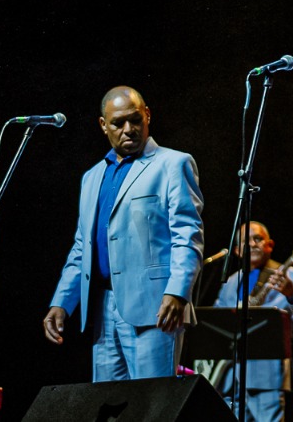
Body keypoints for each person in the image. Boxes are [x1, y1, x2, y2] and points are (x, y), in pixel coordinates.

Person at [43, 86, 204, 381]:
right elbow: (82, 247)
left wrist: (177, 291)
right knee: (108, 402)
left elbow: (188, 234)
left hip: (155, 307)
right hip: (102, 308)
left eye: (135, 120)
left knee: (152, 401)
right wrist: (62, 302)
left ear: (147, 115)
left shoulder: (172, 164)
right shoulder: (92, 177)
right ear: (103, 125)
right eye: (118, 123)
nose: (129, 129)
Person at [213, 222, 293, 422]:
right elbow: (216, 323)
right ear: (237, 251)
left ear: (270, 245)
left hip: (266, 375)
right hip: (228, 378)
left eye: (258, 239)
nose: (253, 244)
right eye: (246, 241)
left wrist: (292, 294)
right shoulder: (231, 282)